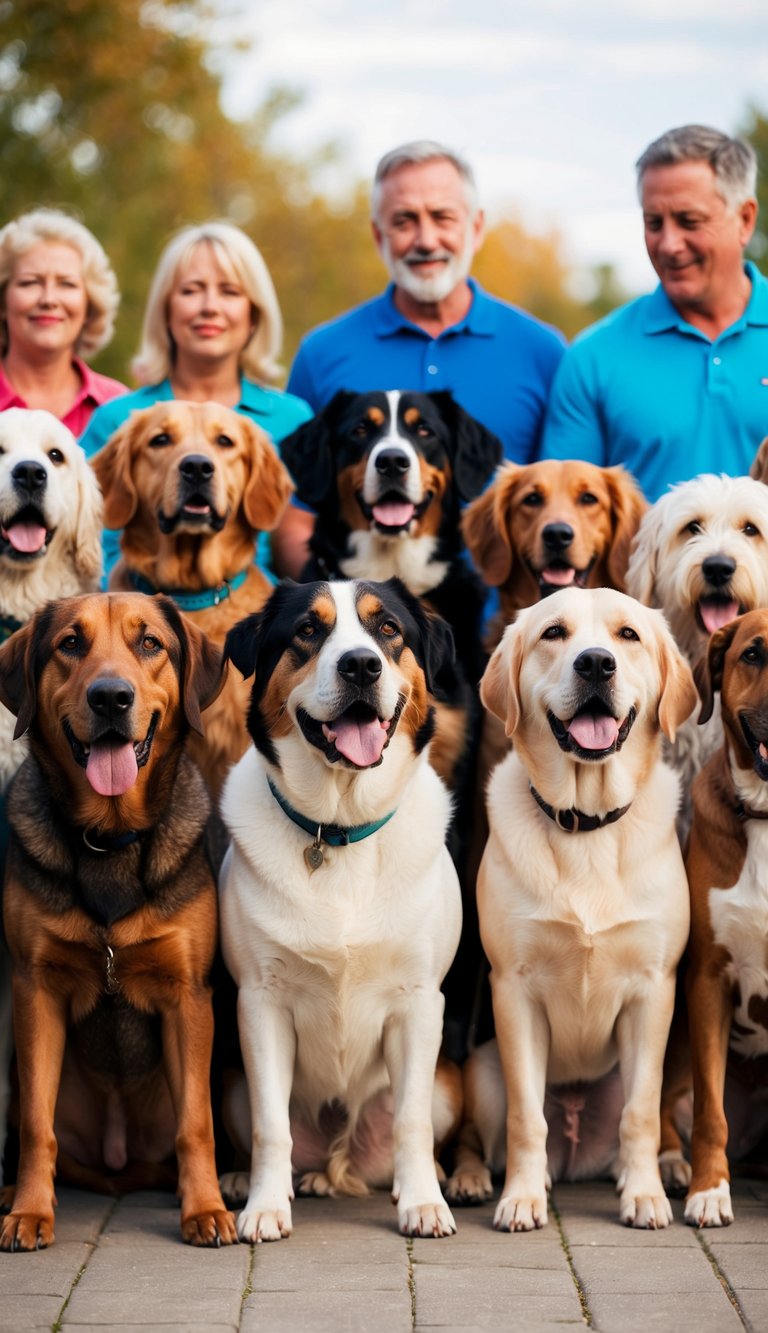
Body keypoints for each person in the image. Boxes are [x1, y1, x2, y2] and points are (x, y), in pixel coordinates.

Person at [287, 140, 565, 461]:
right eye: (404, 221)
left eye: (442, 217)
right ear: (379, 237)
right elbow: (296, 498)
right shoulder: (321, 355)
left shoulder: (543, 353)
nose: (426, 241)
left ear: (475, 229)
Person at [539, 125, 767, 501]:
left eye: (689, 221)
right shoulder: (593, 358)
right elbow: (568, 519)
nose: (669, 244)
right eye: (653, 223)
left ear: (744, 219)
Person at [80, 221, 312, 577]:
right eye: (191, 291)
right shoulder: (118, 420)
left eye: (230, 291)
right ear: (166, 311)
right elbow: (95, 549)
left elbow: (304, 546)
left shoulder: (293, 420)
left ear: (254, 314)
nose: (209, 307)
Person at [0, 208, 126, 432]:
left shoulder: (119, 408)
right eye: (30, 282)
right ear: (2, 301)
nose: (48, 299)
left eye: (66, 284)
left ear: (89, 305)